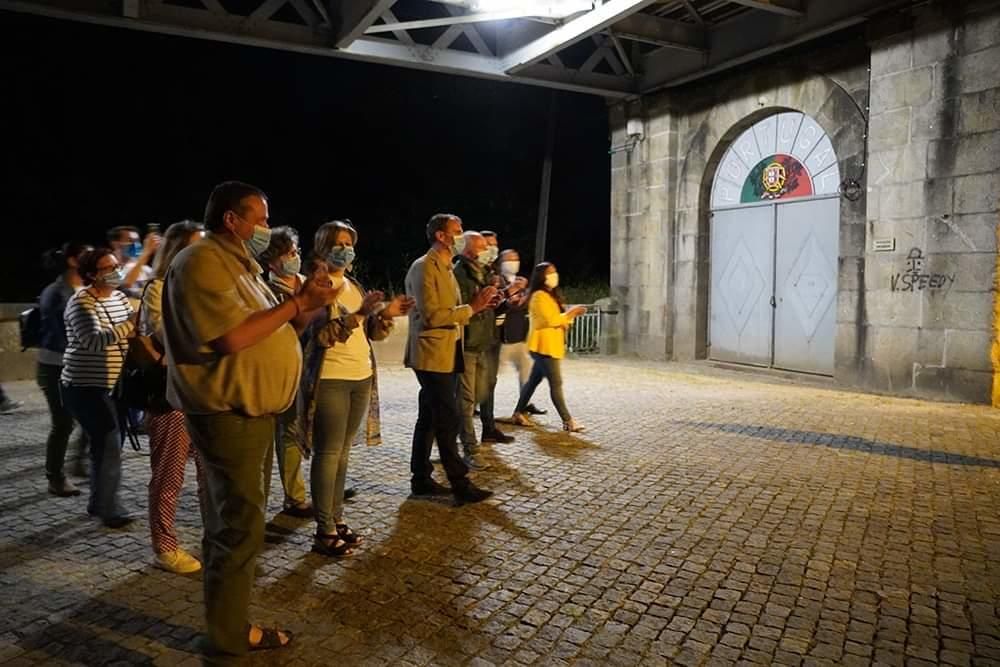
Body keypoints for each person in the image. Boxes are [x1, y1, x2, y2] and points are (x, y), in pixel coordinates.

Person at [162, 181, 339, 661]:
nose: (265, 227)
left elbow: (279, 326)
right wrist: (295, 305)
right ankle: (227, 635)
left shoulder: (245, 266)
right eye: (259, 219)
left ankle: (227, 623)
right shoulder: (202, 262)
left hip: (251, 412)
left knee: (236, 521)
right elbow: (227, 339)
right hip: (226, 412)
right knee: (238, 525)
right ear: (231, 220)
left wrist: (306, 306)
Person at [298, 221, 413, 556]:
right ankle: (324, 530)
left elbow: (371, 332)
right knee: (328, 452)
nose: (346, 249)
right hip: (330, 377)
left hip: (361, 375)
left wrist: (385, 314)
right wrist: (359, 315)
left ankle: (336, 519)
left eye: (349, 242)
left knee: (343, 453)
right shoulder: (315, 287)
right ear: (322, 246)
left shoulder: (353, 284)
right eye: (338, 243)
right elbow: (318, 338)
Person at [404, 213, 497, 505]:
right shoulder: (424, 267)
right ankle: (459, 481)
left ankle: (420, 478)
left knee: (430, 418)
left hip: (446, 353)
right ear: (441, 236)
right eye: (456, 232)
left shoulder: (444, 267)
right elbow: (432, 316)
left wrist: (478, 306)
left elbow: (454, 310)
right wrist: (472, 307)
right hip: (431, 355)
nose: (459, 236)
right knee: (448, 418)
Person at [140, 220, 206, 574]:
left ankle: (214, 534)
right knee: (168, 476)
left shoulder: (203, 287)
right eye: (194, 247)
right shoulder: (158, 288)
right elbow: (168, 335)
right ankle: (164, 547)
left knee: (209, 473)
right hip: (171, 397)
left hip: (203, 395)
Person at [61, 247, 136, 528]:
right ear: (91, 274)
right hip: (85, 386)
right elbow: (94, 340)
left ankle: (99, 502)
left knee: (105, 446)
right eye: (108, 268)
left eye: (116, 265)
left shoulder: (119, 297)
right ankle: (109, 508)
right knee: (109, 444)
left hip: (114, 384)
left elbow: (136, 330)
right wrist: (130, 324)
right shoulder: (81, 303)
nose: (116, 271)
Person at [258, 226, 312, 518]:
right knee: (287, 433)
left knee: (308, 431)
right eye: (288, 253)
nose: (295, 257)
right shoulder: (268, 291)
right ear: (271, 261)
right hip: (284, 370)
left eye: (296, 251)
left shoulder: (308, 282)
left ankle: (317, 486)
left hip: (314, 369)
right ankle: (294, 497)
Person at [37, 241, 92, 496]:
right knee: (63, 424)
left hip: (77, 365)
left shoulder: (83, 288)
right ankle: (55, 477)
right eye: (87, 255)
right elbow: (65, 336)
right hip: (56, 367)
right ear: (73, 261)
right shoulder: (57, 292)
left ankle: (81, 463)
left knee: (90, 418)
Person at [453, 231, 509, 467]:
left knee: (475, 396)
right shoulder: (460, 273)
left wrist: (495, 300)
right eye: (483, 246)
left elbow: (482, 305)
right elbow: (462, 308)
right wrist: (478, 304)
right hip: (468, 344)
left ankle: (446, 435)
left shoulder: (482, 272)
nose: (488, 251)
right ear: (468, 250)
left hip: (482, 342)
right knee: (466, 400)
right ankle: (470, 448)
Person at [510, 262, 587, 432]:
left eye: (555, 271)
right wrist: (571, 314)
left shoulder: (549, 295)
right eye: (550, 272)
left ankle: (517, 413)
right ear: (542, 277)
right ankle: (568, 420)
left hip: (548, 345)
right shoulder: (538, 296)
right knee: (556, 384)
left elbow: (555, 317)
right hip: (544, 347)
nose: (554, 275)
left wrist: (567, 318)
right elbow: (548, 320)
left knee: (532, 382)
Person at [495, 249, 546, 416]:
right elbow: (501, 306)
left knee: (526, 372)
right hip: (502, 337)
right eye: (509, 259)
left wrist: (526, 293)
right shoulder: (497, 281)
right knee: (490, 375)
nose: (513, 262)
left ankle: (525, 402)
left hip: (520, 336)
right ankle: (472, 404)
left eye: (516, 258)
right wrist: (514, 292)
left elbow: (524, 306)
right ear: (501, 262)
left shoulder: (521, 282)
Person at [107, 225, 161, 302]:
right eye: (130, 240)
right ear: (115, 244)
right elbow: (125, 284)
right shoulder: (107, 266)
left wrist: (160, 253)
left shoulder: (144, 268)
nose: (136, 244)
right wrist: (146, 253)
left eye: (137, 241)